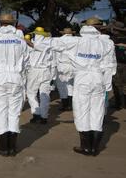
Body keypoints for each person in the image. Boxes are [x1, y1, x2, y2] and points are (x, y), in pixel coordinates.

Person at [33, 17, 115, 156]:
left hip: (82, 78)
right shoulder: (107, 44)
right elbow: (110, 67)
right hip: (98, 78)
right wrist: (106, 87)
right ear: (99, 28)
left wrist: (33, 41)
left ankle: (85, 147)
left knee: (82, 111)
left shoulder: (75, 41)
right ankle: (94, 148)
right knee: (97, 112)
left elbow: (45, 44)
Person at [0, 13, 30, 156]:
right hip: (17, 79)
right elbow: (27, 63)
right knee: (14, 113)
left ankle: (4, 147)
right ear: (13, 24)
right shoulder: (20, 41)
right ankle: (12, 147)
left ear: (0, 24)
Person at [26, 27, 56, 124]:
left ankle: (36, 114)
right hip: (46, 71)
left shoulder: (34, 44)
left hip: (34, 71)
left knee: (31, 93)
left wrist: (25, 39)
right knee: (44, 95)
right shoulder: (49, 45)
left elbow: (30, 50)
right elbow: (53, 61)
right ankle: (44, 117)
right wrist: (53, 76)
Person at [55, 28, 76, 111]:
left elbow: (55, 53)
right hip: (73, 65)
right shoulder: (77, 40)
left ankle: (65, 105)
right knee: (71, 85)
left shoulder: (59, 40)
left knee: (62, 85)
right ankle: (71, 105)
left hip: (62, 65)